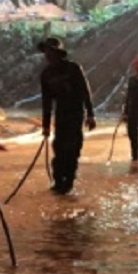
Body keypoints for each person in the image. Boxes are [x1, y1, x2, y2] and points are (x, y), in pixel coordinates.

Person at [39, 37, 96, 194]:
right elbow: (46, 102)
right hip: (61, 115)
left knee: (72, 149)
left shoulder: (73, 68)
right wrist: (45, 125)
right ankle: (58, 182)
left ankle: (68, 182)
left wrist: (91, 114)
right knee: (58, 148)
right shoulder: (46, 75)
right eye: (46, 52)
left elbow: (85, 91)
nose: (48, 55)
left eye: (50, 51)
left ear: (58, 53)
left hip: (76, 114)